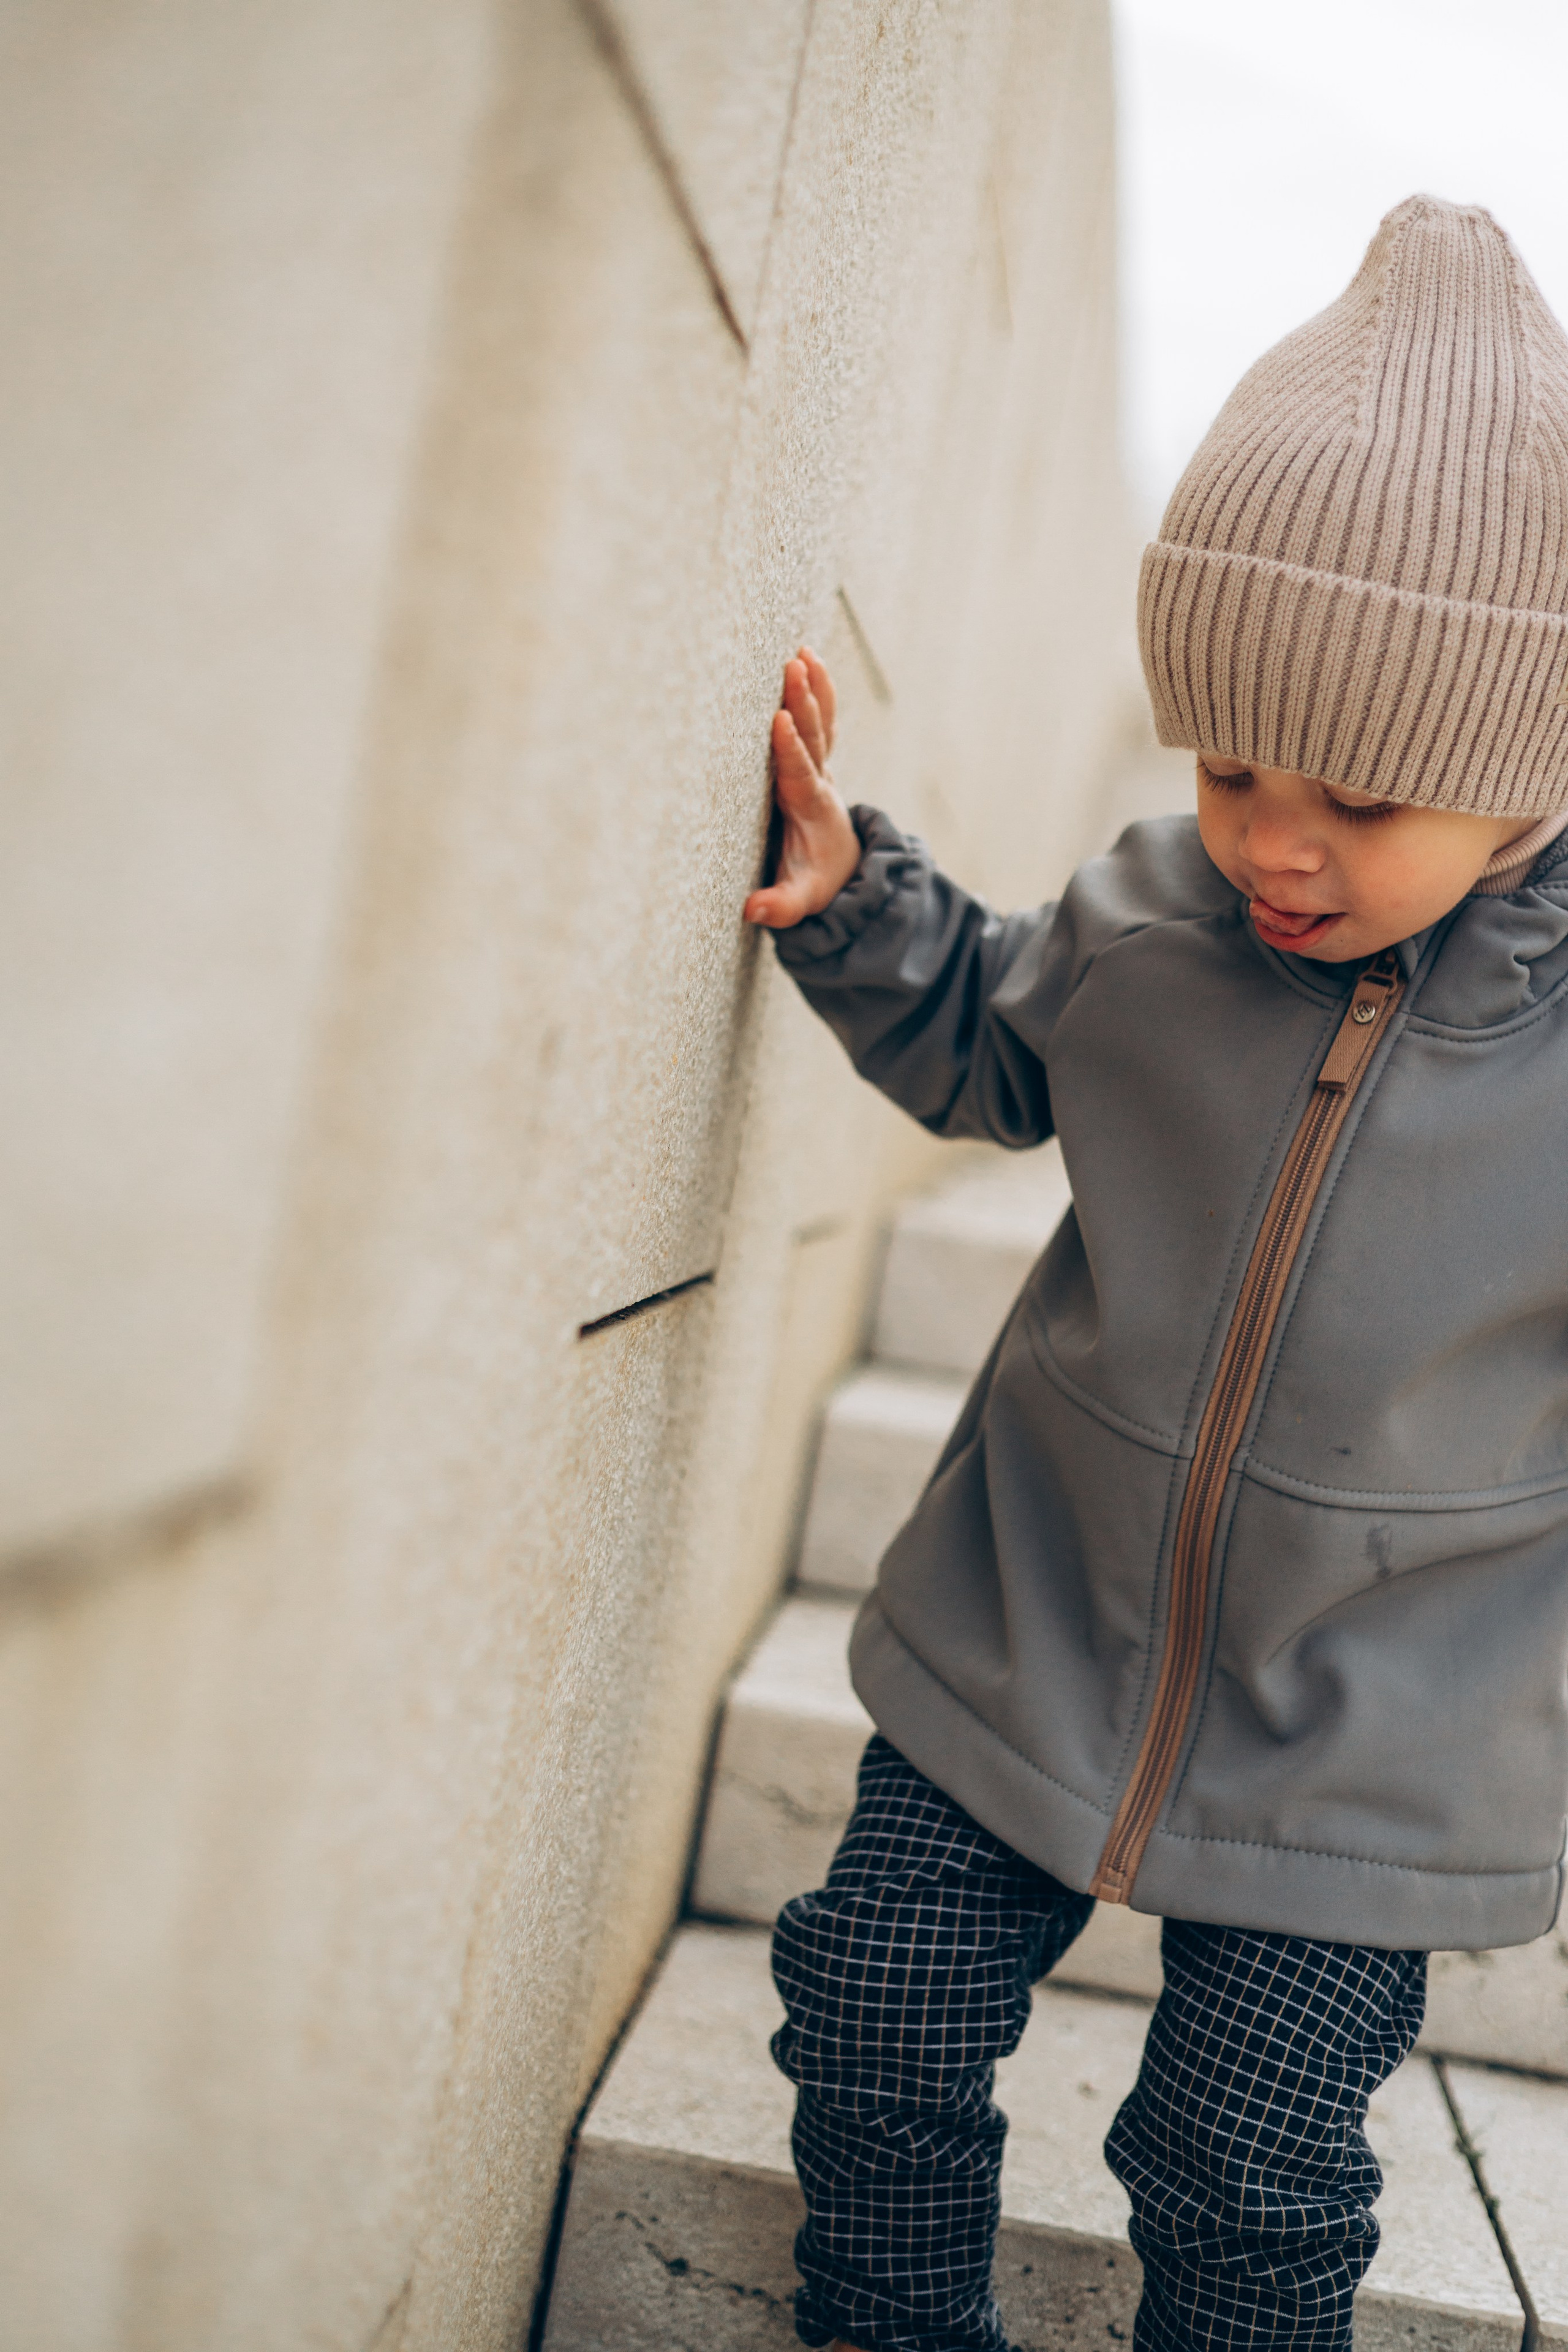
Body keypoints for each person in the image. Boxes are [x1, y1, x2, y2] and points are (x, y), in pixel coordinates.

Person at [742, 194, 1568, 2352]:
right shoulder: (1162, 920)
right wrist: (856, 905)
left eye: (1365, 799)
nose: (1278, 843)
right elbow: (998, 1040)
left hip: (1374, 1721)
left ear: (1528, 781)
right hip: (1038, 1612)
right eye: (1228, 767)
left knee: (1250, 2167)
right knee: (874, 2016)